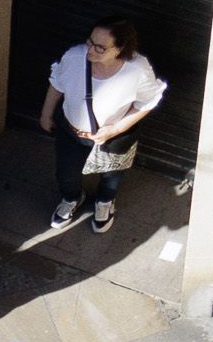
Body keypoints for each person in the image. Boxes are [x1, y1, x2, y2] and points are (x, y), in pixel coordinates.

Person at [46, 16, 170, 238]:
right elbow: (57, 83)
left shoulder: (137, 70)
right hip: (71, 131)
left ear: (119, 49)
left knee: (112, 175)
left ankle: (104, 202)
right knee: (66, 173)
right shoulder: (75, 57)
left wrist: (117, 129)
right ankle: (72, 198)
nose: (91, 50)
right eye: (90, 42)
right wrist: (46, 114)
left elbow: (148, 102)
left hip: (113, 137)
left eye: (100, 47)